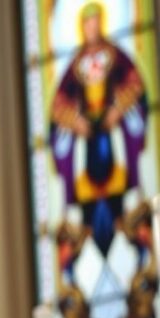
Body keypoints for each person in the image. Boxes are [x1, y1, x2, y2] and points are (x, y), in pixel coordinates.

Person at [49, 1, 147, 256]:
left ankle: (132, 216)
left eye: (95, 22)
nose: (91, 28)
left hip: (113, 136)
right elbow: (59, 104)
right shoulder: (75, 66)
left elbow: (136, 83)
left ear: (102, 23)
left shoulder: (116, 56)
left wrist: (118, 109)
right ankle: (79, 225)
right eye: (86, 24)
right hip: (87, 142)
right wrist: (74, 121)